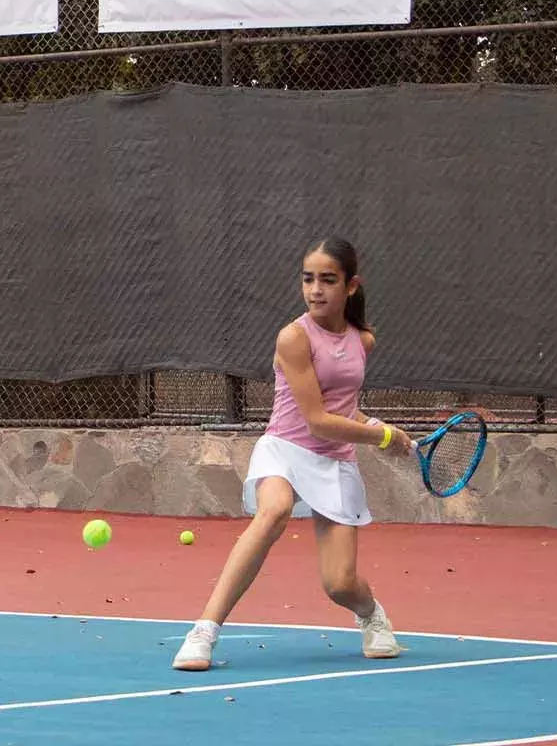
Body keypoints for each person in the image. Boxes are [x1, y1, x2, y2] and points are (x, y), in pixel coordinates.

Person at [172, 237, 413, 673]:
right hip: (285, 449)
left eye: (327, 280)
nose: (315, 290)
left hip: (336, 462)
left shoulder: (364, 341)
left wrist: (378, 427)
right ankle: (203, 631)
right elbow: (317, 419)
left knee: (339, 585)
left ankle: (371, 613)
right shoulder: (293, 337)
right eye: (308, 279)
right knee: (274, 511)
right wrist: (381, 438)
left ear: (351, 286)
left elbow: (343, 406)